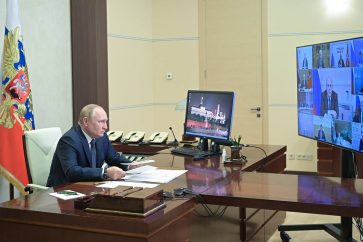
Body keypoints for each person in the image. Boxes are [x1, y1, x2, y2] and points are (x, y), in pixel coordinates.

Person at [47, 104, 132, 187]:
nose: (105, 127)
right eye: (101, 122)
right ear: (86, 121)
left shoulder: (101, 137)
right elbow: (72, 172)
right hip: (64, 189)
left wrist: (131, 165)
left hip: (90, 187)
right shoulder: (69, 140)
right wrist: (105, 172)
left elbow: (114, 158)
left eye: (106, 121)